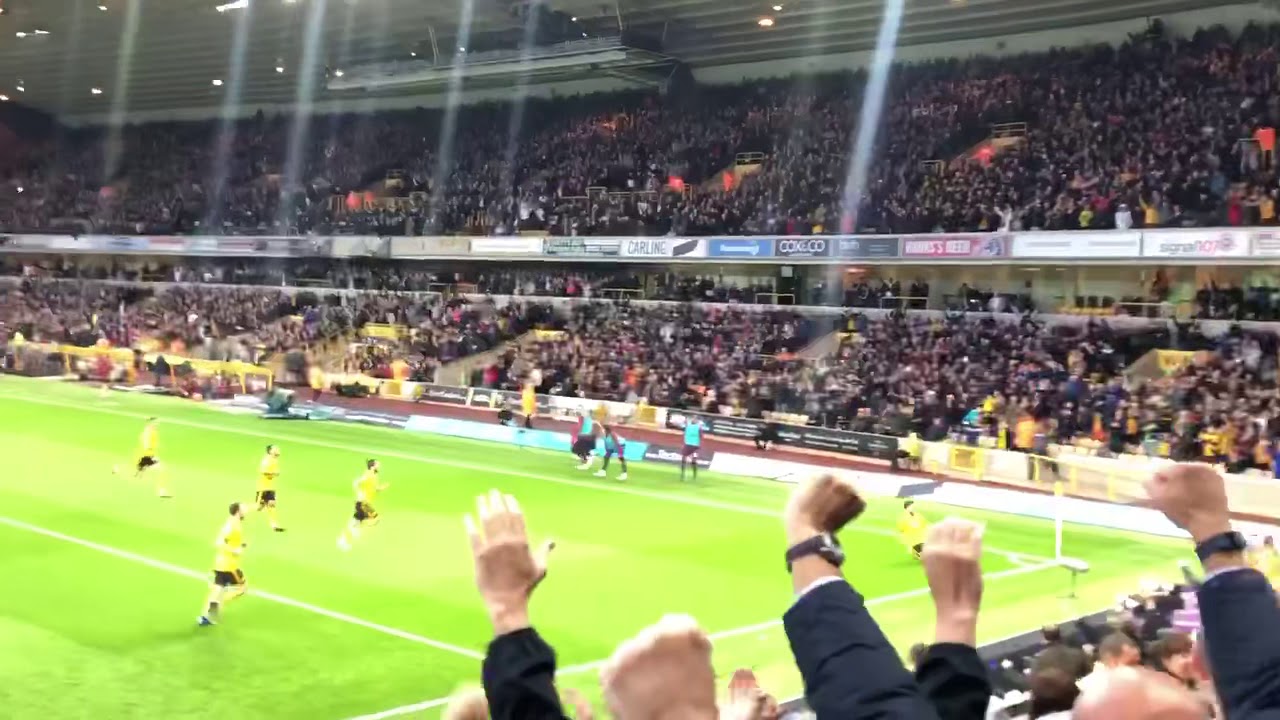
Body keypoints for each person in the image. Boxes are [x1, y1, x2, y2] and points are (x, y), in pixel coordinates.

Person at [198, 502, 248, 626]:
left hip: (222, 564)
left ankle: (207, 615)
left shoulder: (235, 524)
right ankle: (215, 607)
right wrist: (234, 550)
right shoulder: (231, 526)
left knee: (218, 590)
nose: (246, 511)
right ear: (238, 511)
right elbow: (218, 542)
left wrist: (240, 545)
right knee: (242, 588)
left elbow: (229, 541)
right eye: (243, 509)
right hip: (229, 565)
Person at [337, 459, 387, 551]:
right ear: (372, 466)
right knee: (371, 518)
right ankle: (344, 539)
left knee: (357, 521)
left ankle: (346, 538)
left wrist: (381, 488)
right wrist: (359, 493)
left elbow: (375, 488)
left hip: (365, 502)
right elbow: (356, 482)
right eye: (377, 463)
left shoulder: (374, 475)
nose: (379, 464)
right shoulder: (368, 474)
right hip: (362, 502)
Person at [119, 416, 170, 498]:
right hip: (146, 457)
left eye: (158, 422)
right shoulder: (148, 432)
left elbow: (150, 442)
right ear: (151, 423)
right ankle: (161, 491)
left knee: (138, 475)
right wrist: (149, 447)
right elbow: (146, 443)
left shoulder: (152, 431)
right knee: (163, 470)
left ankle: (118, 469)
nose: (157, 424)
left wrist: (155, 445)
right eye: (156, 422)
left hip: (147, 456)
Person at [255, 444, 285, 532]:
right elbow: (263, 472)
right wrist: (274, 474)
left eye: (277, 448)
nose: (277, 450)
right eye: (275, 449)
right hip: (263, 487)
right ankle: (238, 509)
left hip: (270, 487)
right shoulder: (266, 461)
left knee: (271, 505)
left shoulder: (274, 460)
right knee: (258, 507)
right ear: (270, 451)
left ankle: (274, 525)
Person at [680, 417, 703, 482]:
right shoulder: (699, 428)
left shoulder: (688, 426)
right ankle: (694, 475)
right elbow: (701, 436)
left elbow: (685, 423)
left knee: (684, 459)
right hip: (695, 446)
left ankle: (683, 475)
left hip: (688, 445)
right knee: (693, 460)